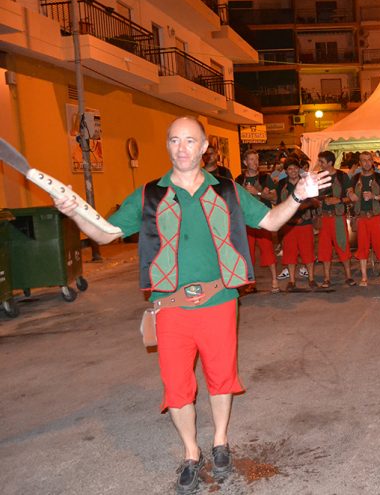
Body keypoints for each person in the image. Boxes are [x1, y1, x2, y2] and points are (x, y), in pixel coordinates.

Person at [52, 117, 330, 495]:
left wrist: (298, 195)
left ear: (204, 148)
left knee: (221, 378)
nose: (181, 147)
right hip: (170, 307)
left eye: (190, 141)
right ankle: (190, 452)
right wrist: (73, 210)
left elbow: (269, 221)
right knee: (177, 386)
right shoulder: (150, 195)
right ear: (168, 146)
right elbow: (105, 232)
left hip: (219, 301)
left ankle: (220, 442)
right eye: (174, 141)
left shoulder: (228, 191)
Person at [235, 150, 279, 293]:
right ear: (245, 162)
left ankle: (274, 280)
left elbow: (274, 198)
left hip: (263, 219)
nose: (255, 163)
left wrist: (258, 193)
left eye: (257, 160)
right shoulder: (239, 180)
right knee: (247, 252)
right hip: (246, 221)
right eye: (252, 160)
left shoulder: (265, 178)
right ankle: (250, 282)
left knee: (267, 250)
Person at [277, 158, 320, 291]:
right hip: (289, 226)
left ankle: (311, 279)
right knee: (290, 254)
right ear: (286, 171)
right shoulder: (281, 185)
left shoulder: (306, 183)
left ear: (299, 169)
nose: (293, 171)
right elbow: (280, 204)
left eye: (295, 168)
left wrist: (303, 214)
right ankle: (291, 280)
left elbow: (314, 201)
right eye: (290, 169)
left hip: (305, 223)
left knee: (308, 253)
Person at [348, 151, 380, 285]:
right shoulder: (355, 178)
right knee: (362, 247)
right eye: (363, 160)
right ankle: (364, 277)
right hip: (361, 218)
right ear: (360, 163)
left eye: (369, 160)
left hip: (376, 217)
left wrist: (374, 196)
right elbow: (348, 190)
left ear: (373, 162)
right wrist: (350, 194)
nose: (366, 163)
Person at [316, 151, 356, 287]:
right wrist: (321, 200)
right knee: (324, 249)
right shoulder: (318, 177)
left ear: (330, 163)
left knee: (343, 245)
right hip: (324, 217)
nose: (319, 164)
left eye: (321, 162)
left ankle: (349, 276)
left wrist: (337, 200)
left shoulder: (342, 176)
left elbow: (350, 197)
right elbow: (313, 197)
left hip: (338, 218)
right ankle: (326, 278)